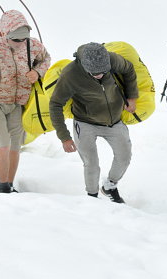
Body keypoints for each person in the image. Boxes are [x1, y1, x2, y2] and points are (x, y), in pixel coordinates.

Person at [49, 42, 138, 203]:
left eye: (103, 72)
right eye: (94, 73)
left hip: (114, 122)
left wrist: (132, 96)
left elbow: (129, 69)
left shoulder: (112, 60)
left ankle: (110, 186)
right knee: (91, 163)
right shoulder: (71, 74)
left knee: (124, 157)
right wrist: (64, 137)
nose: (99, 76)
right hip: (85, 122)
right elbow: (55, 104)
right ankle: (92, 198)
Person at [0, 10, 50, 193]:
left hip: (18, 102)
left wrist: (38, 72)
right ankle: (3, 188)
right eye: (16, 40)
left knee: (15, 144)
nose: (21, 43)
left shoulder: (32, 46)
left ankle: (10, 184)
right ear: (4, 34)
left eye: (24, 39)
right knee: (3, 143)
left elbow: (46, 59)